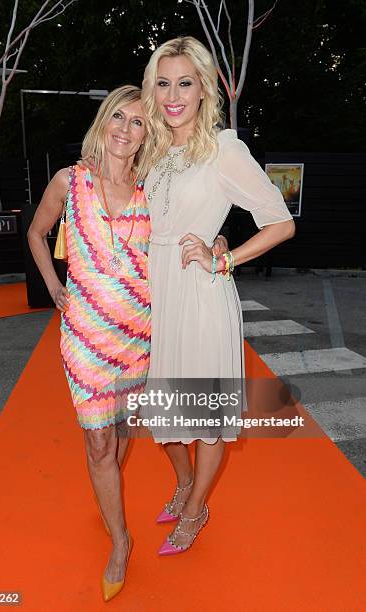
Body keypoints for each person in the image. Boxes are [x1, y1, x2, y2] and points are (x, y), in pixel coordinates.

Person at [140, 36, 296, 555]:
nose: (173, 94)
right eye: (163, 83)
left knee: (203, 418)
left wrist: (223, 256)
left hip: (200, 295)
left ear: (204, 87)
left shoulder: (225, 149)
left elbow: (280, 222)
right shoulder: (154, 148)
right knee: (165, 409)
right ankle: (184, 485)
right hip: (157, 293)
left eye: (185, 82)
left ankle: (196, 506)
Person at [27, 85, 152, 602]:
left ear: (149, 135)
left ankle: (108, 500)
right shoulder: (70, 181)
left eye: (138, 122)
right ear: (103, 122)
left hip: (141, 333)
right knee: (99, 440)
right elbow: (36, 233)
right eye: (117, 117)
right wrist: (54, 285)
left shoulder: (153, 188)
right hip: (85, 336)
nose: (125, 128)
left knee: (122, 433)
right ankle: (120, 540)